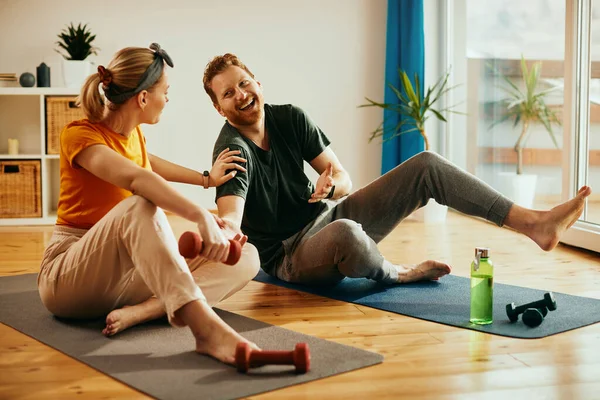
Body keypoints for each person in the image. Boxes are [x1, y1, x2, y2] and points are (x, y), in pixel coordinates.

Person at [202, 53, 592, 287]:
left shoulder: (290, 118)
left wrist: (331, 186)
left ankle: (533, 224)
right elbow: (231, 213)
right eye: (228, 93)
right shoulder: (232, 149)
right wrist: (225, 230)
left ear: (258, 81)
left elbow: (343, 177)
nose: (241, 95)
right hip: (290, 256)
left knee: (425, 165)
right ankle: (397, 273)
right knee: (347, 234)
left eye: (244, 83)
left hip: (328, 216)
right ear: (220, 109)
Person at [37, 44, 260, 365]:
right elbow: (138, 179)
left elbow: (150, 165)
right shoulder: (79, 135)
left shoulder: (134, 138)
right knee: (141, 206)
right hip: (68, 277)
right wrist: (201, 215)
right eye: (165, 91)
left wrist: (207, 179)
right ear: (143, 98)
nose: (167, 99)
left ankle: (147, 310)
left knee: (245, 257)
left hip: (126, 278)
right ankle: (206, 330)